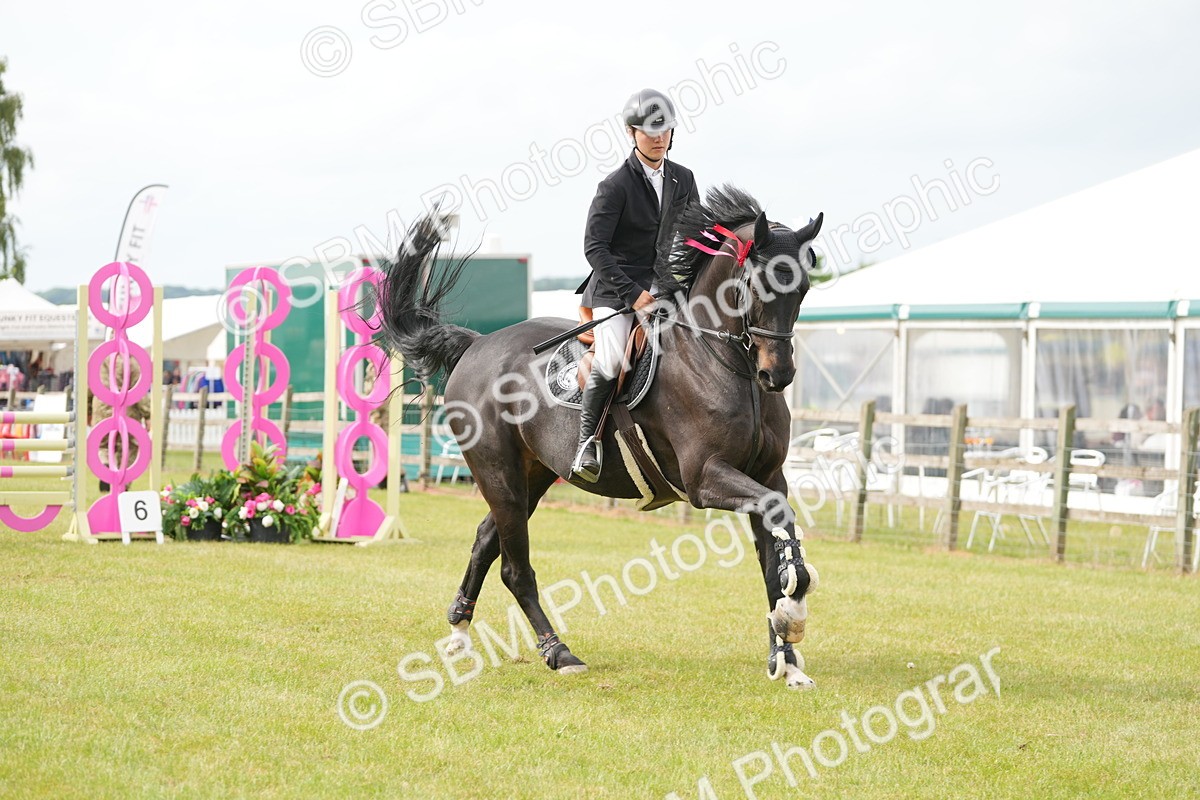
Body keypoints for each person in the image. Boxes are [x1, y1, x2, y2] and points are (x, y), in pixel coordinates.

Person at [571, 88, 701, 482]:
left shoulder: (683, 178)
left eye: (665, 130)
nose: (659, 137)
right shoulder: (616, 185)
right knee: (613, 359)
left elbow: (697, 236)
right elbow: (594, 248)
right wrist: (633, 295)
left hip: (662, 284)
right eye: (650, 131)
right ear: (632, 132)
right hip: (615, 289)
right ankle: (587, 442)